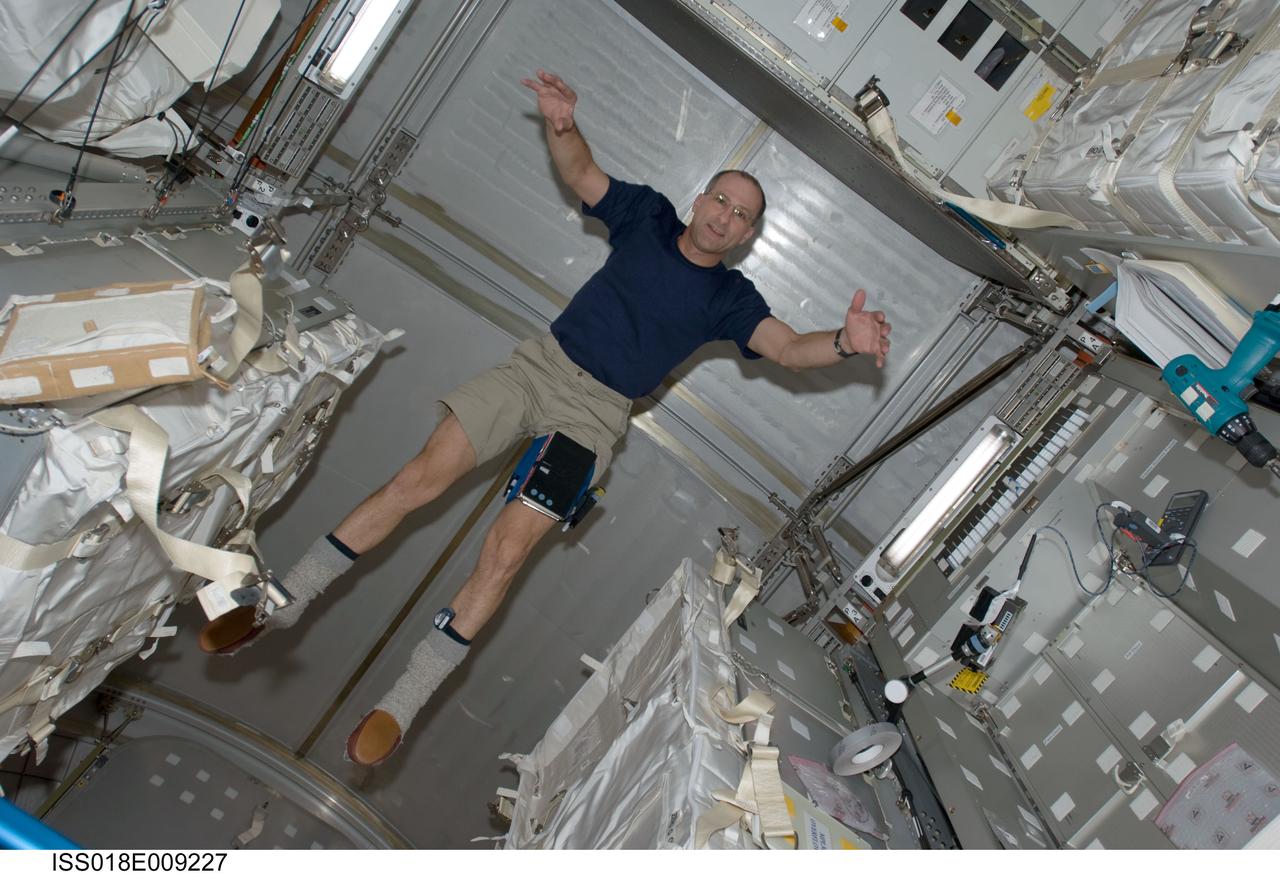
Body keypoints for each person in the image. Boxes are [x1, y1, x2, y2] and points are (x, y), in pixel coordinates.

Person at [198, 69, 893, 766]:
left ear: (745, 237)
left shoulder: (731, 298)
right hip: (539, 368)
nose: (726, 216)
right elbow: (583, 172)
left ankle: (402, 702)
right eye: (722, 199)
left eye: (742, 216)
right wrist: (562, 124)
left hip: (593, 418)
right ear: (700, 199)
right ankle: (281, 601)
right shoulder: (647, 217)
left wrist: (842, 340)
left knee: (505, 553)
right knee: (420, 477)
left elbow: (788, 348)